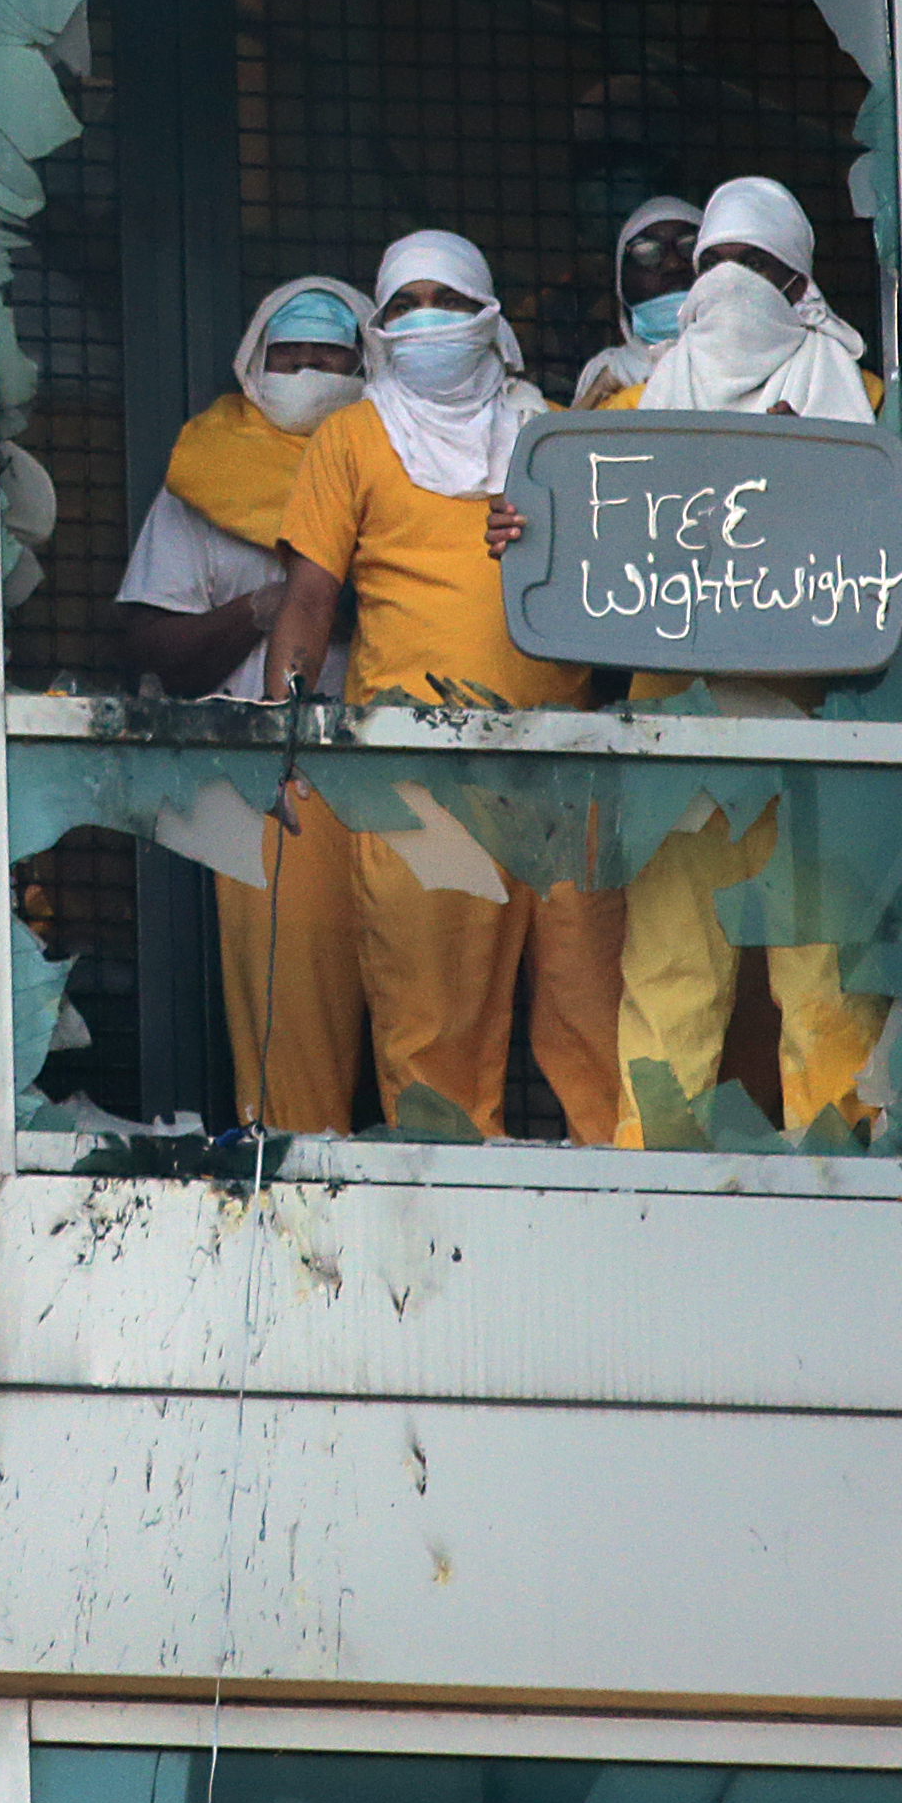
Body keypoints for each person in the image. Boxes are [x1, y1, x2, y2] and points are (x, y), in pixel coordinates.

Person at [262, 230, 622, 1144]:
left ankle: (634, 1213)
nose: (428, 320)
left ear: (489, 316)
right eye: (407, 304)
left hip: (565, 767)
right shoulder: (351, 438)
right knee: (432, 1047)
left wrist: (554, 536)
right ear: (382, 327)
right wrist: (286, 734)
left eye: (449, 302)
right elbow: (308, 601)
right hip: (417, 774)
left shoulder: (551, 435)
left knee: (605, 1030)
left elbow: (630, 587)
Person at [602, 176, 894, 1146]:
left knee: (828, 991)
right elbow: (584, 545)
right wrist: (529, 527)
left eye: (756, 267)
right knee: (669, 987)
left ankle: (847, 1187)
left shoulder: (871, 408)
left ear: (800, 281)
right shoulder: (634, 416)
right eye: (713, 266)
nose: (732, 285)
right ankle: (647, 1194)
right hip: (677, 753)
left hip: (824, 755)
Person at [117, 277, 376, 1135]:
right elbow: (151, 645)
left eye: (329, 357)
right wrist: (259, 612)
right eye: (288, 356)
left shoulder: (405, 459)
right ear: (252, 367)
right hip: (271, 795)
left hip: (399, 777)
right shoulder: (208, 473)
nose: (307, 372)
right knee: (288, 1014)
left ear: (366, 363)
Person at [569, 196, 702, 409]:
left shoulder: (740, 359)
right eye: (647, 252)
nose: (673, 264)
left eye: (689, 247)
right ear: (621, 281)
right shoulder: (607, 371)